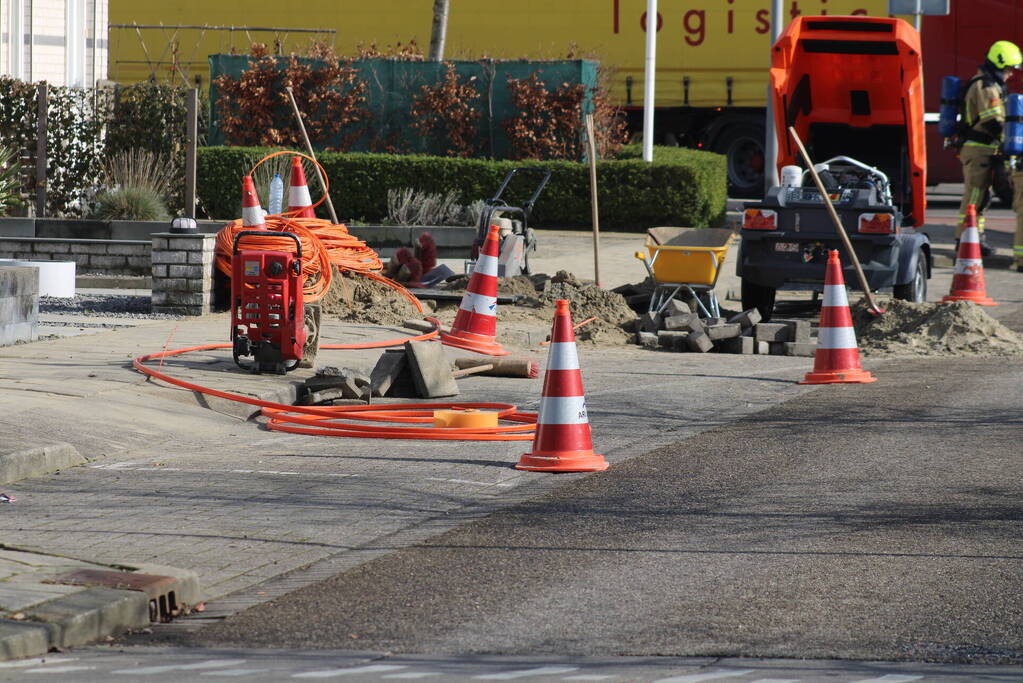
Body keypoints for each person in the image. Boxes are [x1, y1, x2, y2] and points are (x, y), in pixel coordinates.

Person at [958, 40, 1022, 256]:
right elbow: (992, 122)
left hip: (985, 149)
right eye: (1008, 69)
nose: (1011, 74)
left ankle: (975, 239)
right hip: (978, 149)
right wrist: (1011, 138)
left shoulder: (991, 85)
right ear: (999, 64)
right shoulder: (986, 87)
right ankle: (963, 240)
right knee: (974, 197)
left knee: (982, 198)